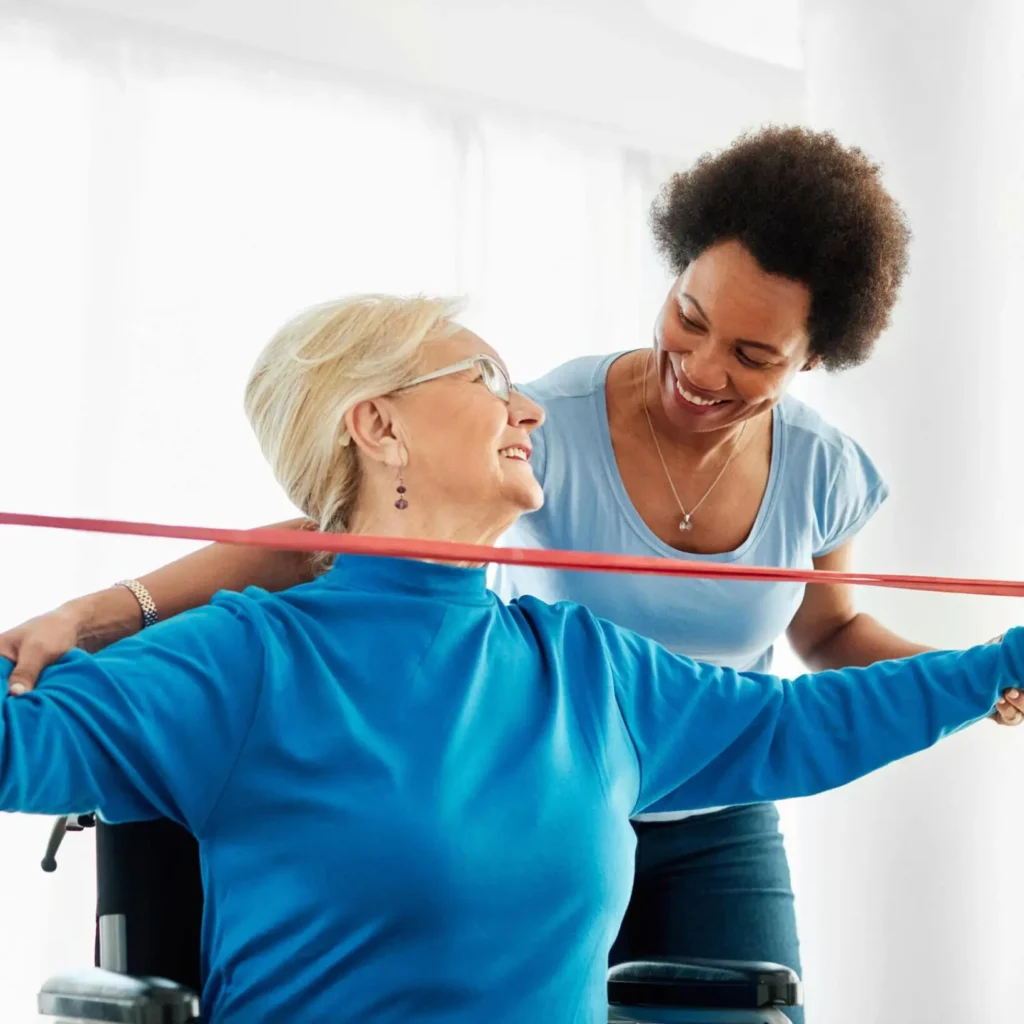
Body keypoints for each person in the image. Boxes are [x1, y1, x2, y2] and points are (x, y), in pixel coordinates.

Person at [4, 129, 1024, 1024]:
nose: (526, 409)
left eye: (754, 352)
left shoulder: (588, 669)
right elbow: (27, 738)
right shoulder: (239, 662)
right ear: (377, 423)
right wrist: (103, 609)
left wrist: (1001, 663)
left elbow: (798, 720)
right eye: (487, 382)